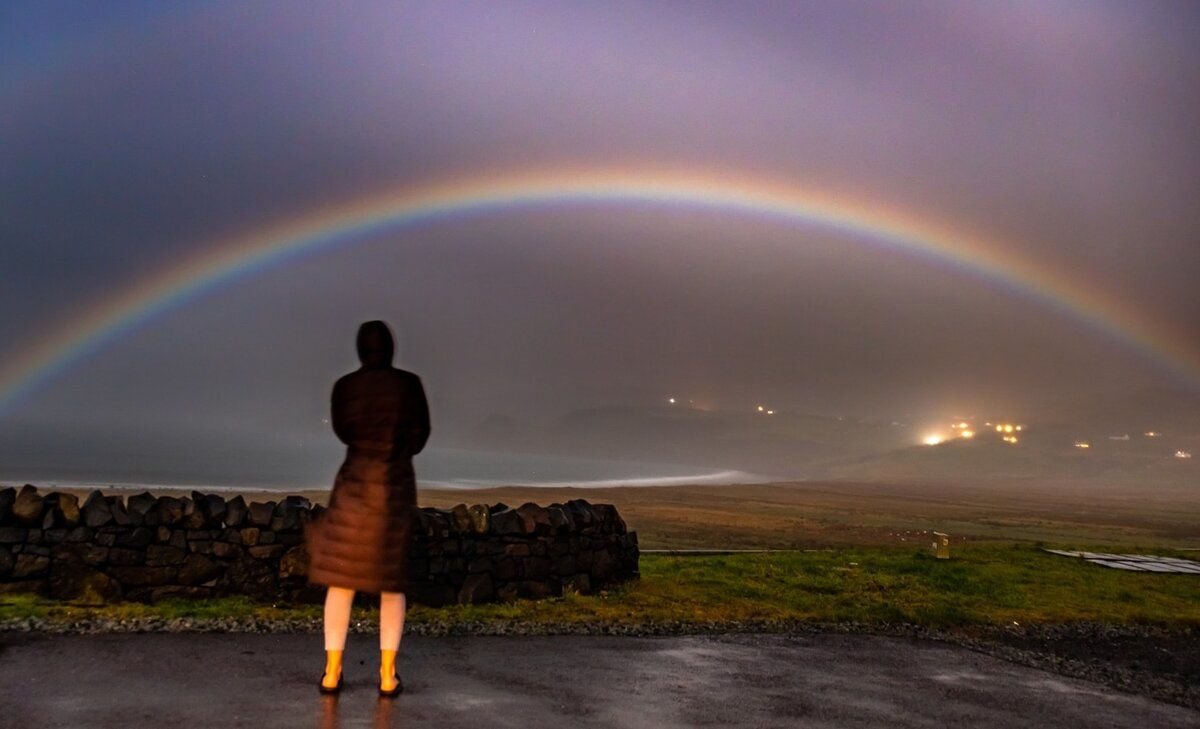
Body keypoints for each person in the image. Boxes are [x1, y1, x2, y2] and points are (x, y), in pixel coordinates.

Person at [304, 320, 431, 697]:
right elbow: (420, 435)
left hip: (354, 484)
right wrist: (396, 450)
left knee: (340, 581)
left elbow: (343, 430)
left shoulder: (345, 387)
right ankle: (388, 676)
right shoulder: (409, 385)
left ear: (361, 348)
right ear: (391, 346)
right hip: (393, 486)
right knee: (391, 585)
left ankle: (331, 673)